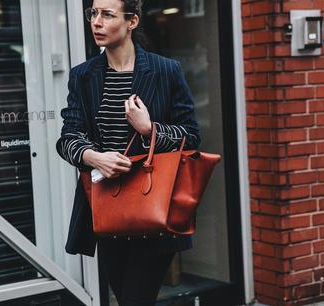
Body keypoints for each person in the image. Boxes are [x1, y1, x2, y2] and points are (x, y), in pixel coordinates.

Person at [56, 0, 200, 304]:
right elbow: (68, 136)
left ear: (131, 21)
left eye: (107, 14)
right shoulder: (83, 76)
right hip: (108, 209)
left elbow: (191, 136)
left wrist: (151, 130)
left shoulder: (165, 71)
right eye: (93, 13)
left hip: (154, 209)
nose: (96, 21)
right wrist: (94, 157)